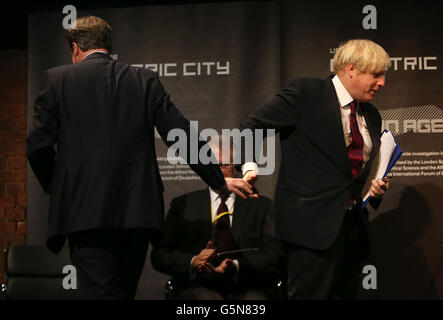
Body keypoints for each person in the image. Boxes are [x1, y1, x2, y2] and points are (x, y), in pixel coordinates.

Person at [26, 16, 254, 300]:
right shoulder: (143, 80)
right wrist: (218, 180)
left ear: (74, 48)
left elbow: (37, 146)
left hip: (85, 213)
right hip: (136, 213)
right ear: (108, 45)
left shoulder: (57, 80)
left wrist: (59, 187)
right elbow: (180, 134)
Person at [240, 39, 391, 299]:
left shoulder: (371, 114)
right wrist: (250, 167)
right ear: (352, 69)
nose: (382, 83)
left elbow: (349, 173)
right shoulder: (306, 93)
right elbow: (251, 128)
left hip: (352, 231)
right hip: (309, 230)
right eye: (376, 75)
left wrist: (373, 193)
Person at [151, 137, 284, 300]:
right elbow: (161, 254)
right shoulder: (183, 205)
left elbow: (275, 255)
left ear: (235, 167)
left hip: (248, 284)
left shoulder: (261, 206)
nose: (218, 171)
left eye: (224, 164)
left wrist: (235, 266)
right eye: (212, 165)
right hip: (198, 285)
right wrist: (193, 261)